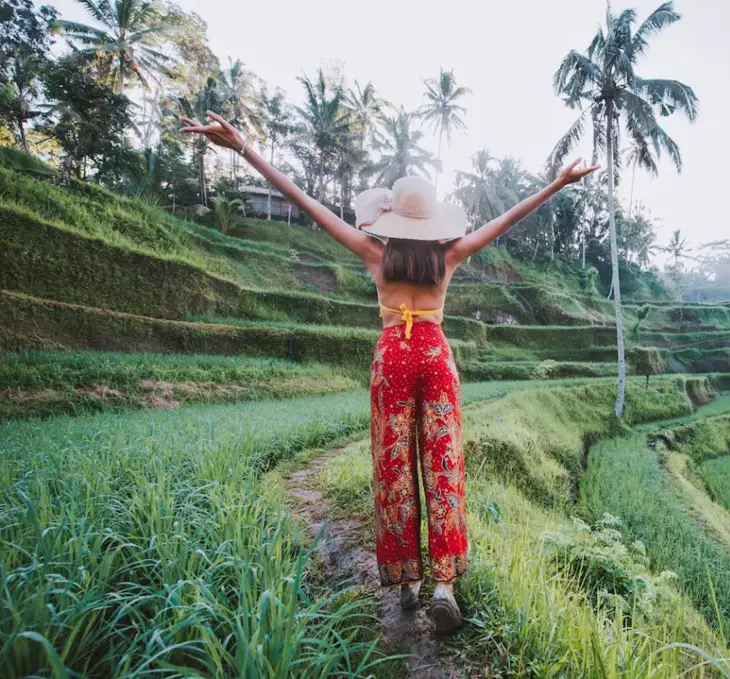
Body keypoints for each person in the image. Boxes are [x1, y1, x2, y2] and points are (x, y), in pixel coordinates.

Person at [181, 112, 597, 633]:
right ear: (433, 223)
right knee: (442, 464)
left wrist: (244, 149)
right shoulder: (447, 259)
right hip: (435, 357)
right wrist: (557, 183)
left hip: (392, 360)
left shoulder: (374, 254)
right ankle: (443, 583)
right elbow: (507, 220)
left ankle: (407, 580)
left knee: (394, 469)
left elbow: (306, 204)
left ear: (394, 219)